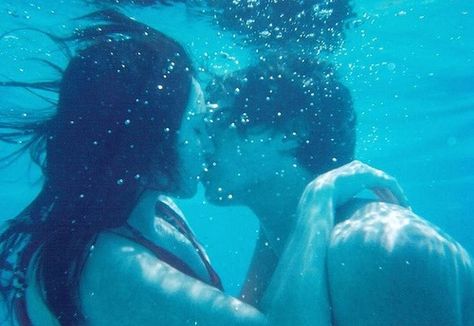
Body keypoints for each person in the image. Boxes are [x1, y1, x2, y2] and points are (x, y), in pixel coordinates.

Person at [0, 10, 407, 326]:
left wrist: (276, 212)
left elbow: (229, 314)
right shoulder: (115, 268)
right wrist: (316, 204)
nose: (208, 142)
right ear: (148, 139)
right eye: (196, 127)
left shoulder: (152, 211)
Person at [203, 56, 474, 326]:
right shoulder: (282, 236)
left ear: (292, 131)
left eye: (218, 120)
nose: (202, 139)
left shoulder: (374, 245)